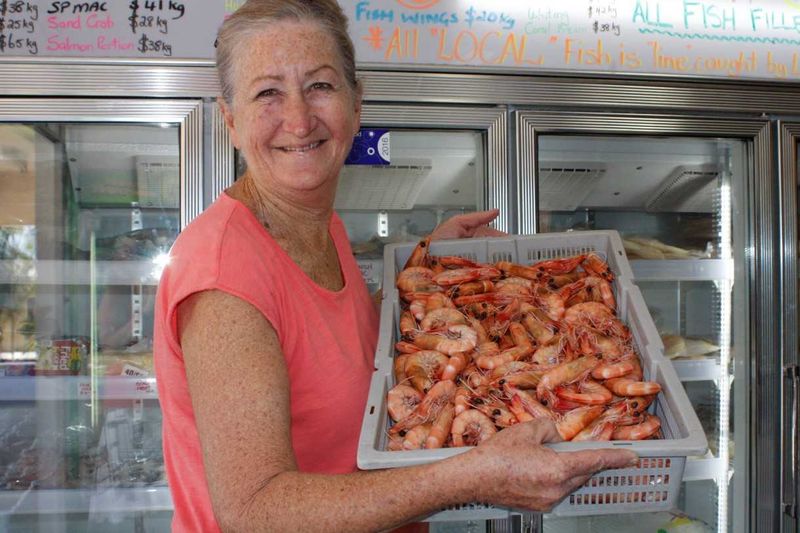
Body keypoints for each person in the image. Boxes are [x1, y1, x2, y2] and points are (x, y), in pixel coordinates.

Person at [153, 1, 639, 531]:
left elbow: (328, 345)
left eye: (320, 86)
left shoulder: (314, 224)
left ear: (356, 105)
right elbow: (254, 512)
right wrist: (467, 477)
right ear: (230, 121)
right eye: (267, 92)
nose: (298, 118)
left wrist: (427, 265)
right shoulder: (225, 275)